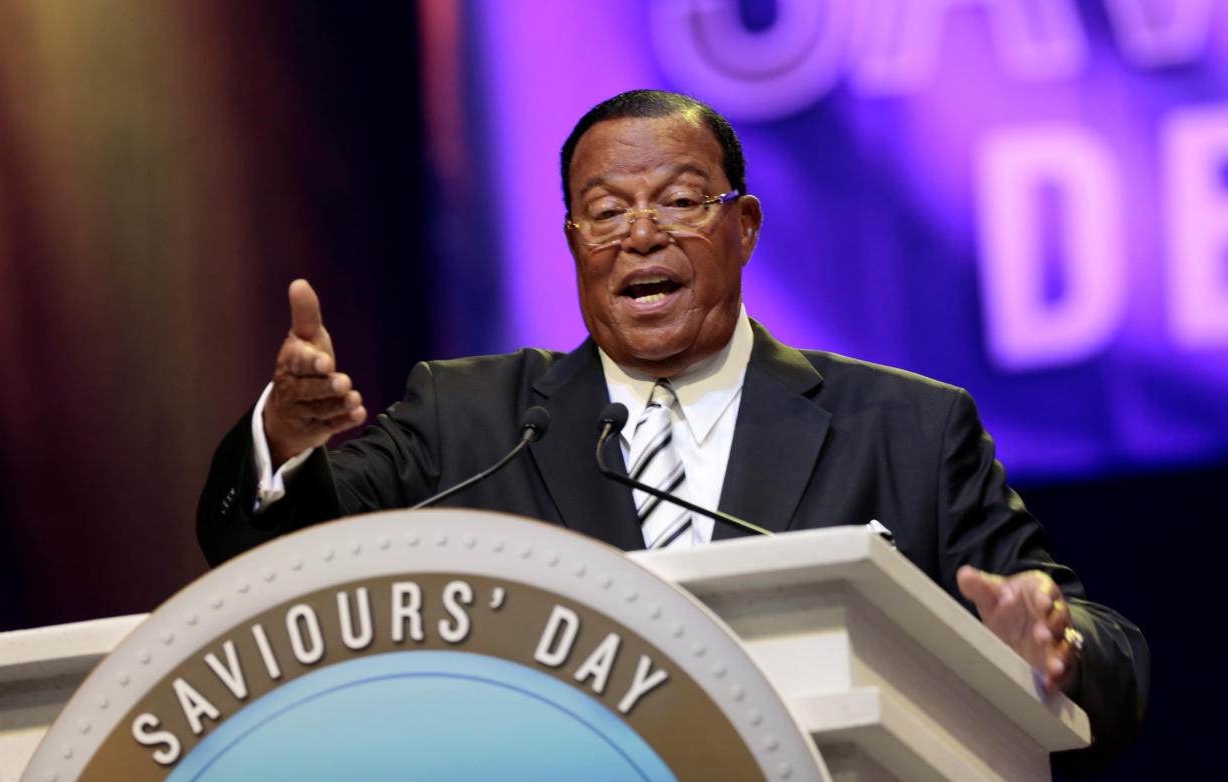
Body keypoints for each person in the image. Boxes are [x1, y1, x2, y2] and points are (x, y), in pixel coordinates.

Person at [198, 90, 1147, 774]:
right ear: (573, 243)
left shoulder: (906, 426)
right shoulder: (471, 418)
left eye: (680, 201)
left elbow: (1105, 657)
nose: (641, 235)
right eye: (606, 212)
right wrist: (282, 443)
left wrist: (1047, 646)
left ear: (744, 227)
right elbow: (269, 553)